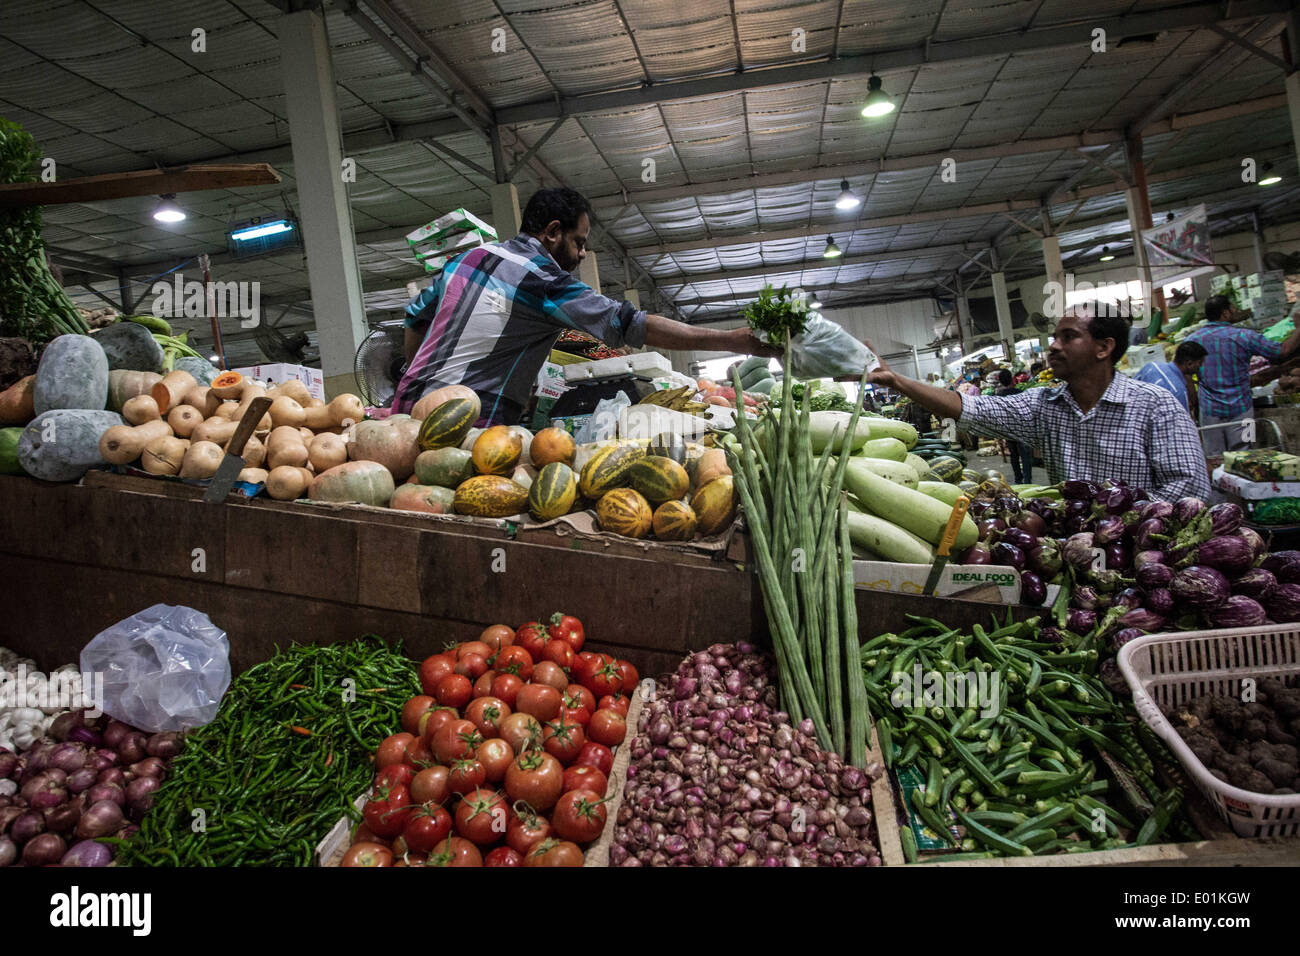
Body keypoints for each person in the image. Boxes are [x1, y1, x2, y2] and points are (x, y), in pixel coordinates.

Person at [395, 188, 777, 424]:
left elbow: (414, 319)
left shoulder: (468, 257)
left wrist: (419, 381)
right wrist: (736, 340)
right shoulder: (544, 280)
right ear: (552, 232)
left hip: (403, 413)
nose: (582, 254)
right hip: (468, 426)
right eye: (579, 242)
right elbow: (631, 323)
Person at [863, 305, 1210, 501]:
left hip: (1147, 553)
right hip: (1072, 550)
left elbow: (1189, 489)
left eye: (1069, 337)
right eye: (1055, 337)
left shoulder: (1155, 407)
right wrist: (897, 380)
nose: (1054, 346)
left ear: (1104, 348)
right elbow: (970, 408)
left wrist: (1118, 516)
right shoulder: (1045, 404)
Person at [1186, 294, 1300, 455]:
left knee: (1213, 456)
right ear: (1225, 313)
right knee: (1246, 455)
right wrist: (1299, 329)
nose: (1236, 312)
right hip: (1243, 409)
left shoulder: (1192, 340)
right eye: (1233, 309)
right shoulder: (1244, 336)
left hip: (1209, 411)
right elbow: (1282, 351)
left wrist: (1193, 405)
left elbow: (1186, 376)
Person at [1133, 341, 1206, 417]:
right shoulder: (1178, 391)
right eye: (1199, 363)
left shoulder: (1152, 365)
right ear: (1189, 363)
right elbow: (1180, 424)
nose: (1200, 367)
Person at [992, 369, 1035, 485]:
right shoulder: (1019, 392)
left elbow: (997, 415)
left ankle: (1018, 479)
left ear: (1000, 381)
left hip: (1008, 430)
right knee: (1025, 456)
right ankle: (1028, 480)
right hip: (1022, 429)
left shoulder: (999, 396)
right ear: (1012, 379)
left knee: (1014, 456)